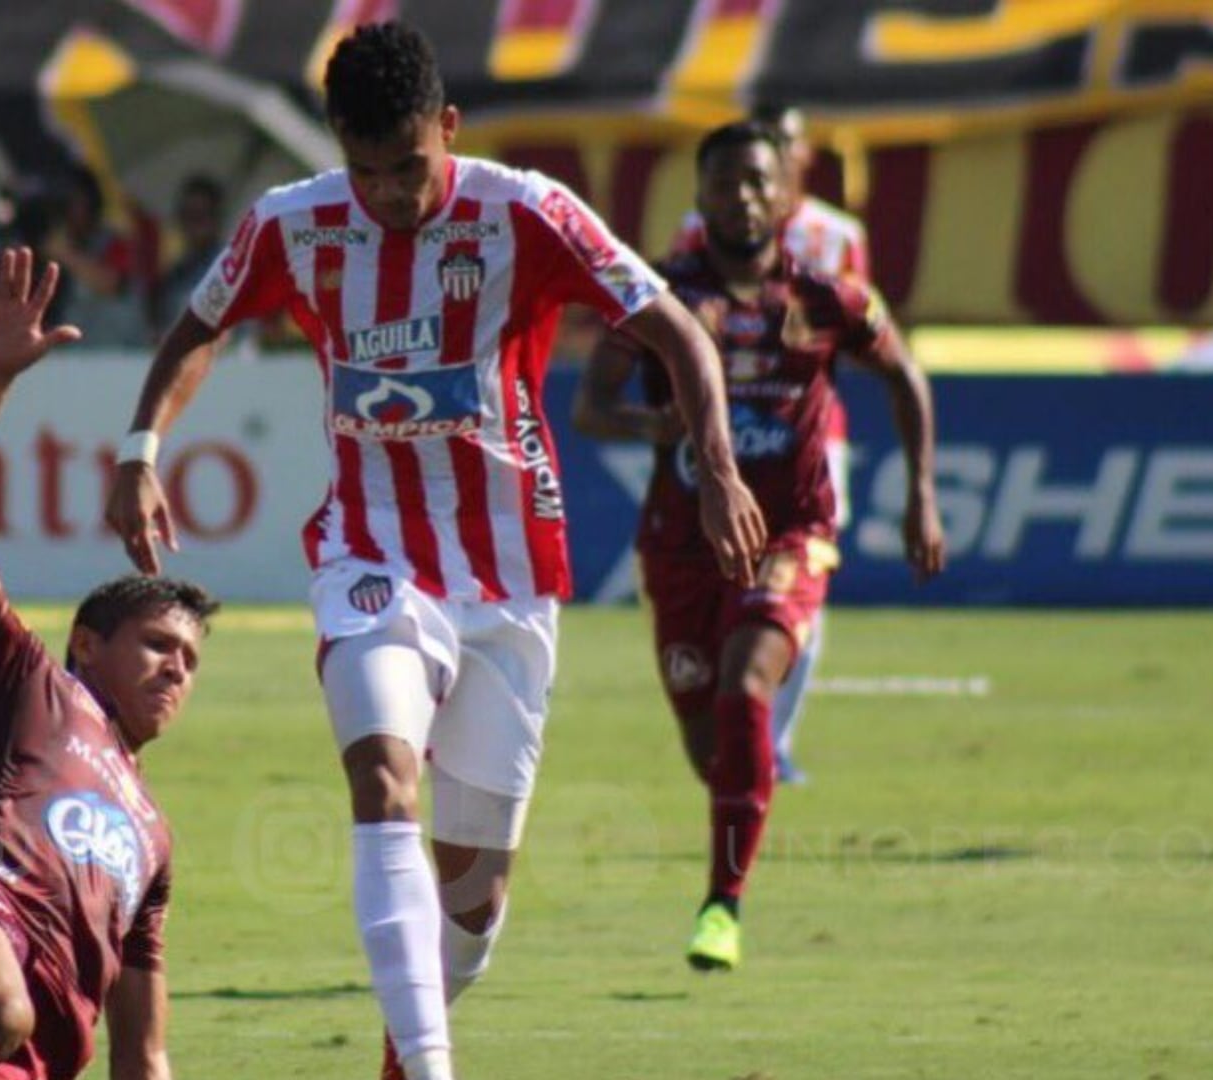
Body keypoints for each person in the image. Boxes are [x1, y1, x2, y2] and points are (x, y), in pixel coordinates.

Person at [104, 22, 765, 1080]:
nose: (389, 194)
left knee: (475, 904)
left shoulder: (526, 212)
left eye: (408, 167)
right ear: (336, 150)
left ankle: (404, 1053)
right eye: (364, 171)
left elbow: (676, 326)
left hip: (508, 584)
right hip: (372, 560)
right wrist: (141, 448)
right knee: (382, 780)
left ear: (447, 129)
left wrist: (721, 467)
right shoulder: (295, 223)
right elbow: (199, 326)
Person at [575, 120, 944, 972]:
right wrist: (652, 422)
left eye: (756, 183)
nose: (741, 197)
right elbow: (591, 408)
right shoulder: (659, 300)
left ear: (787, 197)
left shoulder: (828, 298)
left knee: (749, 684)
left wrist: (920, 496)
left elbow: (905, 377)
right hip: (682, 541)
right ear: (698, 197)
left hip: (790, 531)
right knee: (715, 752)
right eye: (723, 183)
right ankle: (741, 822)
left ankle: (721, 905)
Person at [0, 245, 215, 1080]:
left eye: (192, 662)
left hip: (46, 1039)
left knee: (7, 1037)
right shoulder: (29, 685)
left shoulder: (155, 843)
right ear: (87, 644)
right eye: (159, 645)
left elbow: (144, 1054)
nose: (176, 670)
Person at [671, 104, 870, 784]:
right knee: (725, 582)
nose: (777, 160)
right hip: (725, 434)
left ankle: (772, 739)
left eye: (788, 147)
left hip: (811, 434)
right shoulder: (699, 231)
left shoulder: (837, 237)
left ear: (802, 158)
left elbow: (858, 332)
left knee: (803, 577)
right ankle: (739, 723)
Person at [43, 163, 145, 349]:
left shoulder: (115, 243)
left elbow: (111, 283)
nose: (68, 211)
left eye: (74, 201)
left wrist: (64, 254)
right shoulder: (59, 247)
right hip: (75, 354)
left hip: (117, 352)